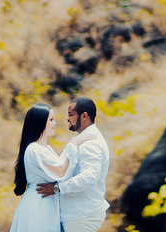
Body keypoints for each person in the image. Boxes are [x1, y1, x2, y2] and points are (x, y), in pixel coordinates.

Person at [36, 97, 110, 232]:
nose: (66, 118)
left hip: (82, 216)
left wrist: (57, 188)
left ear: (84, 116)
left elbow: (89, 177)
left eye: (70, 115)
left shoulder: (90, 142)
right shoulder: (84, 138)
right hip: (78, 215)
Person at [11, 103, 74, 232]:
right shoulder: (36, 150)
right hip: (40, 203)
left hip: (42, 200)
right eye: (51, 119)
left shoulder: (42, 149)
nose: (54, 123)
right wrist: (72, 147)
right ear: (40, 122)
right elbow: (61, 172)